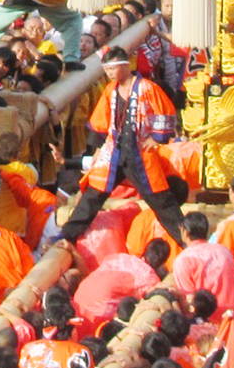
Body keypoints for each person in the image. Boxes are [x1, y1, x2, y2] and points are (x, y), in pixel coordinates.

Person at [54, 47, 186, 247]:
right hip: (114, 150)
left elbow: (165, 111)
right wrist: (98, 153)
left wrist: (157, 139)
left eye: (112, 69)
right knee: (92, 195)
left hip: (140, 152)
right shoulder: (110, 90)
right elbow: (101, 122)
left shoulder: (147, 87)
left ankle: (185, 239)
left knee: (159, 198)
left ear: (125, 66)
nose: (109, 74)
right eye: (107, 70)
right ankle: (67, 235)